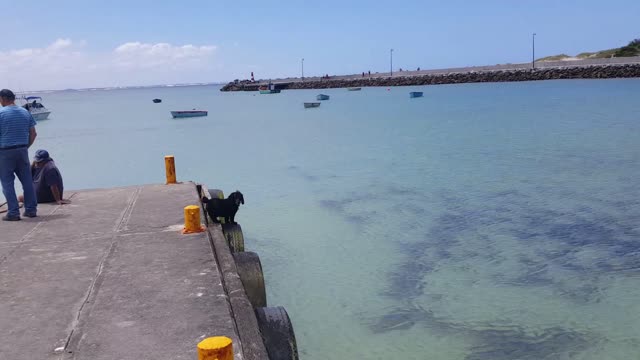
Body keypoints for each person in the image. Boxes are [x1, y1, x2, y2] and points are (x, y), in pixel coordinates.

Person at [0, 89, 38, 221]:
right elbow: (33, 133)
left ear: (3, 98)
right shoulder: (25, 112)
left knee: (7, 183)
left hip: (5, 152)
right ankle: (31, 210)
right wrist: (25, 147)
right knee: (27, 181)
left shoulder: (1, 113)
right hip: (22, 150)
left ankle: (13, 212)